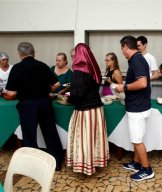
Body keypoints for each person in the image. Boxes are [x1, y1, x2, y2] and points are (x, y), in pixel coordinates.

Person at [3, 42, 63, 171]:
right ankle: (57, 163)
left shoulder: (17, 68)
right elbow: (57, 83)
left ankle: (33, 166)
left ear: (19, 54)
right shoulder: (42, 65)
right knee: (50, 133)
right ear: (34, 52)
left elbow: (11, 93)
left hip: (27, 105)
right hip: (44, 103)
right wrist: (47, 89)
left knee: (30, 136)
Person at [66, 43, 109, 175]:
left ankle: (86, 165)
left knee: (84, 139)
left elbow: (77, 94)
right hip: (96, 109)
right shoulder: (94, 68)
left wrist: (69, 98)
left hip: (85, 111)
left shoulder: (79, 72)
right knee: (94, 138)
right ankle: (96, 161)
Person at [115, 35, 154, 181]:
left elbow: (143, 83)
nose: (122, 52)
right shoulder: (137, 59)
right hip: (140, 105)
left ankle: (146, 169)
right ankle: (137, 163)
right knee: (138, 138)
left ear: (126, 46)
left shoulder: (136, 60)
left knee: (137, 140)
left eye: (122, 48)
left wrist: (123, 87)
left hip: (137, 107)